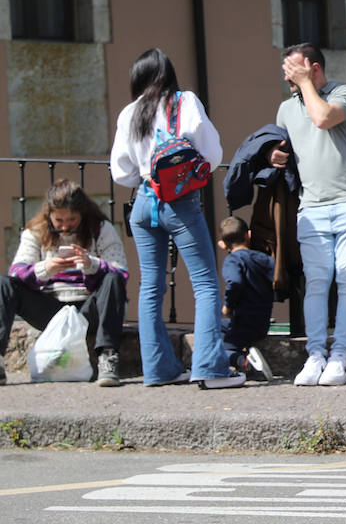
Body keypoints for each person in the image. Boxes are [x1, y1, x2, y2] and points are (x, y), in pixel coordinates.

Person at [110, 48, 243, 389]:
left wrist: (146, 174)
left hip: (143, 202)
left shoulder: (130, 112)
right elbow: (211, 154)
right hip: (179, 201)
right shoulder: (184, 102)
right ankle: (210, 369)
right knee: (205, 283)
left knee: (151, 287)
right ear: (168, 74)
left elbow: (120, 171)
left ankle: (158, 370)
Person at [273, 43, 346, 387]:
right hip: (311, 207)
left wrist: (305, 85)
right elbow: (286, 145)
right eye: (286, 71)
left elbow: (323, 118)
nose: (288, 76)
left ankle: (340, 356)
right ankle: (315, 355)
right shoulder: (286, 109)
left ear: (315, 68)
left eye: (295, 70)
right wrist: (274, 155)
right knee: (315, 283)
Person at [0, 180, 128, 387]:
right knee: (4, 284)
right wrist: (46, 268)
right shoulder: (35, 231)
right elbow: (16, 272)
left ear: (83, 215)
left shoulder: (102, 229)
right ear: (48, 214)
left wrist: (91, 264)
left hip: (88, 308)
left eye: (72, 219)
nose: (65, 226)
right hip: (52, 309)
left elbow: (121, 272)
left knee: (113, 279)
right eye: (58, 220)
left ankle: (107, 357)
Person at [218, 216, 275, 380]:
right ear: (248, 235)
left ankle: (244, 362)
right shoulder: (264, 259)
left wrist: (227, 307)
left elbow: (234, 282)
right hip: (262, 321)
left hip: (241, 321)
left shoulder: (232, 260)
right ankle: (248, 351)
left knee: (217, 341)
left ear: (223, 243)